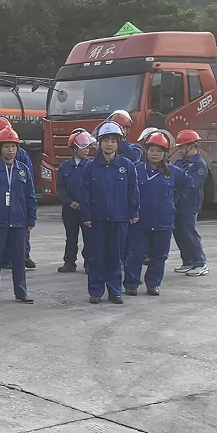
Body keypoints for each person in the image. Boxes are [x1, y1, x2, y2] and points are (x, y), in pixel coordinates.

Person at [124, 132, 193, 296]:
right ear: (146, 151)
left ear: (165, 153)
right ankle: (131, 284)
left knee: (159, 255)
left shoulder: (173, 171)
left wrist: (174, 198)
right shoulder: (136, 170)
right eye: (152, 150)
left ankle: (153, 284)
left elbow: (189, 183)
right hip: (139, 221)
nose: (155, 154)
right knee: (135, 254)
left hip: (163, 221)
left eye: (159, 151)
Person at [79, 121, 141, 304]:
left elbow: (133, 190)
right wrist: (86, 215)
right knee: (96, 257)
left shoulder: (127, 165)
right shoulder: (90, 167)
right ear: (99, 142)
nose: (109, 144)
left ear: (119, 143)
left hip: (119, 218)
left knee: (115, 257)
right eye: (105, 140)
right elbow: (85, 193)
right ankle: (96, 291)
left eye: (113, 141)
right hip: (97, 220)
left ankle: (115, 291)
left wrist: (134, 212)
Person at [0, 127, 37, 304]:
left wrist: (31, 219)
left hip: (19, 222)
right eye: (6, 146)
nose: (11, 150)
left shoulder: (23, 170)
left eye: (13, 146)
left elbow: (30, 196)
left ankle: (21, 292)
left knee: (19, 259)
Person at [0, 116, 36, 269]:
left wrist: (31, 213)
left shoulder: (21, 155)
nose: (10, 150)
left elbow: (28, 180)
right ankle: (5, 258)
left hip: (17, 199)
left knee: (20, 231)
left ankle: (23, 255)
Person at [172, 129, 210, 277]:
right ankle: (187, 261)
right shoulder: (180, 162)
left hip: (190, 204)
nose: (180, 150)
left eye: (182, 147)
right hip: (178, 203)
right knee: (179, 233)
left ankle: (200, 263)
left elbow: (191, 185)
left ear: (191, 146)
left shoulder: (199, 165)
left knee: (189, 233)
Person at [56, 130, 94, 274]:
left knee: (89, 238)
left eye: (87, 147)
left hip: (87, 209)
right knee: (71, 237)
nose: (86, 150)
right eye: (83, 147)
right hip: (69, 210)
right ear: (74, 149)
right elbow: (61, 188)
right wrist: (70, 202)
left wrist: (87, 204)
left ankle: (89, 263)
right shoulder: (64, 167)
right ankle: (69, 262)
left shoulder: (91, 166)